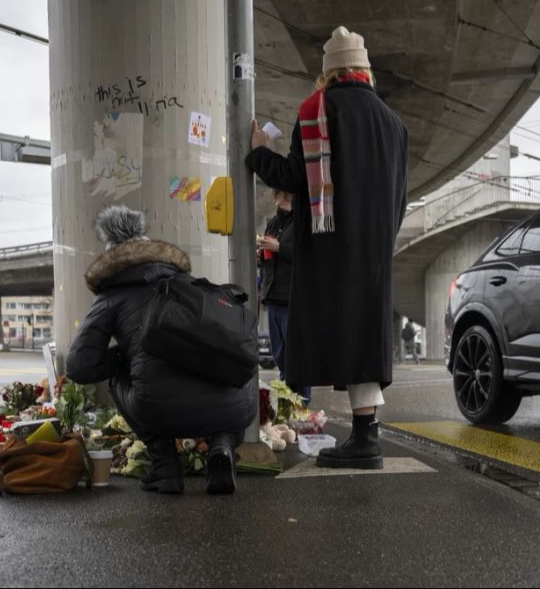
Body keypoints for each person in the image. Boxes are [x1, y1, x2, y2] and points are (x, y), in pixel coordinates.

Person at [245, 26, 408, 470]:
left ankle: (358, 439)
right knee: (365, 336)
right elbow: (401, 197)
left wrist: (260, 153)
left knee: (333, 332)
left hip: (331, 246)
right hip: (374, 247)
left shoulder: (318, 110)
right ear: (364, 70)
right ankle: (364, 437)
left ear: (328, 74)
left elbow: (295, 178)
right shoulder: (394, 123)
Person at [65, 205, 256, 495]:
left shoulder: (111, 295)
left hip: (159, 410)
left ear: (112, 257)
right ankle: (222, 446)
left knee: (120, 375)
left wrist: (120, 359)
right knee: (229, 376)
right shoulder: (191, 285)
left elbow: (79, 366)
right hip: (234, 409)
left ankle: (165, 468)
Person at [257, 189, 311, 404]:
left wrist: (279, 247)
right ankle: (287, 406)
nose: (273, 194)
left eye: (277, 191)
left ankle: (302, 405)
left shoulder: (302, 220)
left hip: (293, 298)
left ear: (287, 194)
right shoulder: (273, 223)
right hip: (273, 296)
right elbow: (270, 260)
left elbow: (309, 253)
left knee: (296, 356)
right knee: (280, 356)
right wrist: (262, 254)